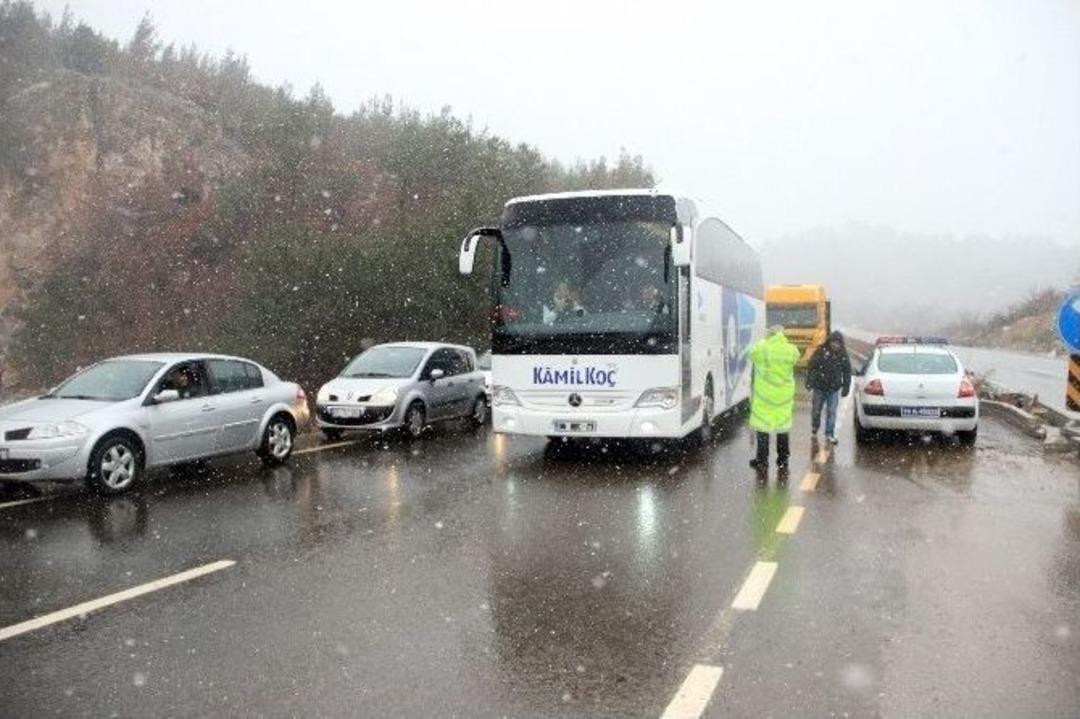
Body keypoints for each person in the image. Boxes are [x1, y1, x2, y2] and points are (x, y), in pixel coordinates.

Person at [748, 325, 801, 471]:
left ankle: (762, 461)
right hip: (783, 396)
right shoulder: (791, 349)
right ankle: (783, 459)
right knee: (782, 428)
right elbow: (796, 358)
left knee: (763, 428)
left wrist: (763, 341)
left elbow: (751, 353)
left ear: (769, 335)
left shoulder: (762, 348)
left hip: (765, 396)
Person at [806, 331, 852, 444]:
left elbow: (847, 371)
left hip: (834, 389)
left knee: (832, 411)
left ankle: (829, 433)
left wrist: (846, 387)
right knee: (816, 410)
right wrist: (809, 381)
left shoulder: (842, 354)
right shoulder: (821, 351)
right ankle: (815, 426)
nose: (835, 345)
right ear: (830, 342)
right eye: (834, 342)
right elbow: (812, 366)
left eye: (838, 343)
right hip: (819, 387)